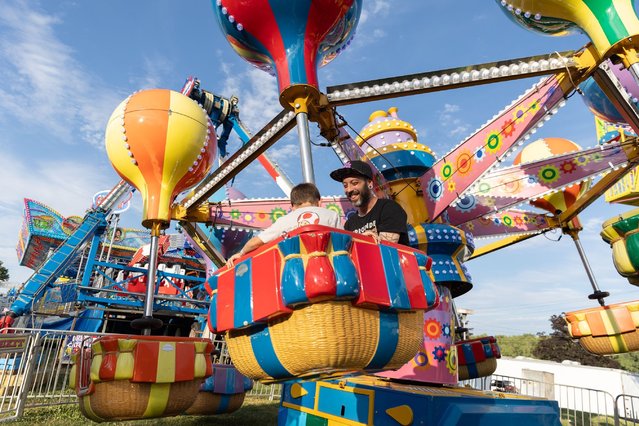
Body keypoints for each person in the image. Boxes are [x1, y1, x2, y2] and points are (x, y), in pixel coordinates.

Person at [226, 183, 342, 266]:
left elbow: (255, 242)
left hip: (297, 269)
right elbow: (343, 242)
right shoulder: (332, 215)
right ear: (320, 202)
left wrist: (241, 254)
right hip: (328, 266)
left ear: (292, 206)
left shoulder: (284, 220)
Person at [330, 160, 409, 245]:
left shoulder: (389, 208)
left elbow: (386, 251)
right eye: (345, 185)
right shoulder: (350, 224)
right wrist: (360, 238)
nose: (349, 190)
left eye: (355, 183)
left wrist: (359, 240)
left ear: (369, 183)